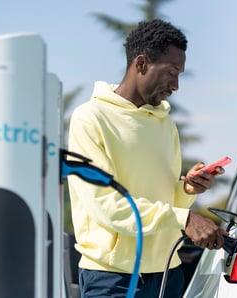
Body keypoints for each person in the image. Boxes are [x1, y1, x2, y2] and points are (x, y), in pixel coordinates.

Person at [67, 19, 228, 298]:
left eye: (179, 74)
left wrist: (186, 190)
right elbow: (108, 206)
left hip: (168, 274)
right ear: (141, 63)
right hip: (113, 278)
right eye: (170, 72)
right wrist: (185, 218)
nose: (176, 85)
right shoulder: (90, 118)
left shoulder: (165, 124)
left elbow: (165, 202)